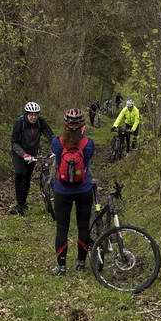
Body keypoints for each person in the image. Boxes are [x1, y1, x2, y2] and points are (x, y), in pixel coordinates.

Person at [50, 108, 95, 276]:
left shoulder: (57, 142)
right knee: (83, 227)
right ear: (82, 126)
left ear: (65, 125)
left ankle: (61, 267)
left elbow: (56, 159)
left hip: (62, 190)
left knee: (62, 228)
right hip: (84, 189)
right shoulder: (88, 144)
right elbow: (88, 162)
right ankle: (80, 263)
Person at [10, 101, 55, 216]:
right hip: (18, 153)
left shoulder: (41, 122)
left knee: (27, 178)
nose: (34, 117)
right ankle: (19, 205)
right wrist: (24, 155)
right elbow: (14, 143)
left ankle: (23, 203)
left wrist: (57, 148)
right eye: (31, 114)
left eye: (36, 114)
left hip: (32, 154)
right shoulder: (19, 123)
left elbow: (50, 135)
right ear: (26, 114)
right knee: (20, 174)